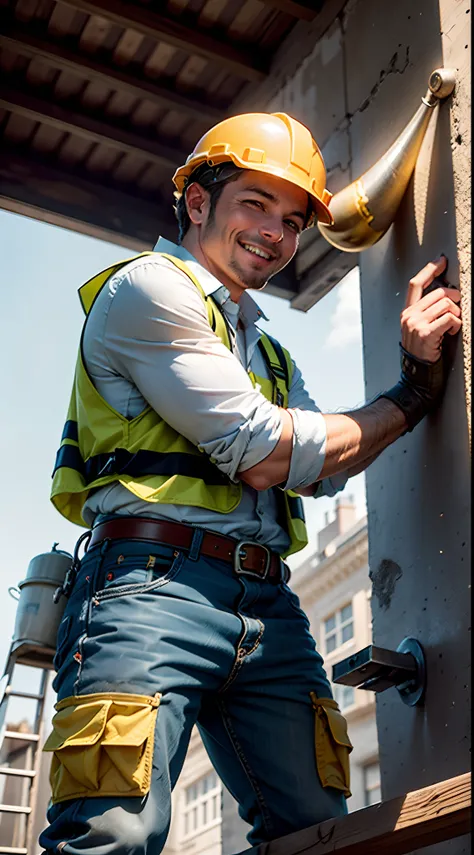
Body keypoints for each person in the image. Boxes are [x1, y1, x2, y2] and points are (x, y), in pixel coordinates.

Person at [39, 112, 462, 854]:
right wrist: (411, 396)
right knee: (116, 835)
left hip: (267, 601)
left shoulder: (264, 347)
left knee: (319, 830)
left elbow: (321, 473)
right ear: (198, 202)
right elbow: (267, 452)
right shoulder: (148, 291)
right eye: (254, 204)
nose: (275, 231)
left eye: (292, 219)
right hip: (148, 587)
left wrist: (414, 376)